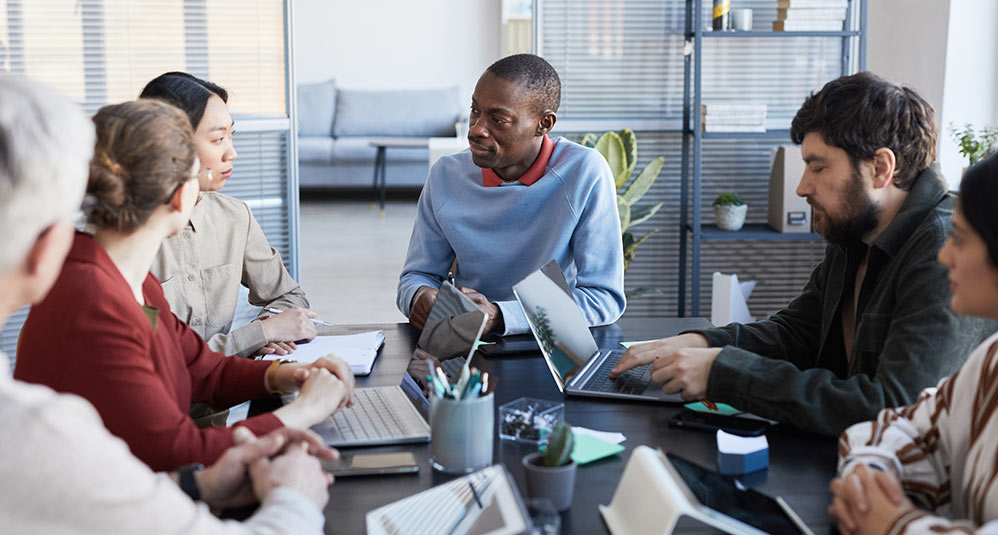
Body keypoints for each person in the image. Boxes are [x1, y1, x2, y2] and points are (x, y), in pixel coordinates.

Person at [0, 74, 332, 534]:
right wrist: (303, 413)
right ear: (181, 194)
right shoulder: (91, 301)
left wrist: (284, 374)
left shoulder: (133, 283)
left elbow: (202, 368)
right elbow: (175, 451)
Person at [611, 72, 996, 436]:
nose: (801, 187)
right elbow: (798, 331)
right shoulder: (857, 230)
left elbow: (894, 408)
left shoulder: (944, 254)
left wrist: (725, 372)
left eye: (818, 167)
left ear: (880, 167)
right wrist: (703, 343)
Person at [396, 54, 626, 336]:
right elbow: (417, 275)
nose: (476, 129)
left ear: (544, 124)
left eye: (498, 120)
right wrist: (419, 296)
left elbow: (603, 299)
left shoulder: (584, 172)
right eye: (475, 110)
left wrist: (502, 315)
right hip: (467, 345)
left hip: (553, 343)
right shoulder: (446, 175)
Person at [829, 154, 998, 535]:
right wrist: (868, 479)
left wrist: (896, 524)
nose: (944, 254)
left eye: (962, 239)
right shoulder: (991, 360)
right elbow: (902, 427)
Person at [141, 71, 314, 358]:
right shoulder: (127, 236)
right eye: (218, 139)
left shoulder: (234, 217)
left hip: (220, 398)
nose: (231, 153)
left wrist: (269, 327)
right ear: (169, 145)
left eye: (231, 136)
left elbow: (288, 296)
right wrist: (261, 334)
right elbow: (162, 359)